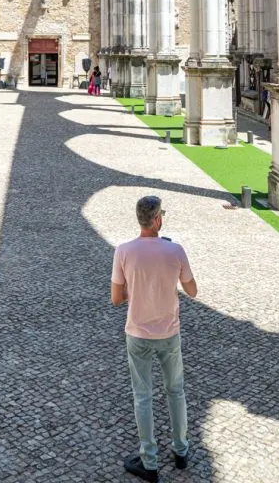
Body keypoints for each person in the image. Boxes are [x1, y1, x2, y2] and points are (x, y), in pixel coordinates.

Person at [111, 195, 197, 482]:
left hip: (137, 333)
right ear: (158, 219)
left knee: (143, 396)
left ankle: (149, 461)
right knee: (176, 391)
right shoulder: (175, 251)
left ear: (140, 220)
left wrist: (136, 289)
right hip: (169, 333)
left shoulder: (123, 251)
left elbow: (115, 298)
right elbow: (193, 290)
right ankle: (181, 451)